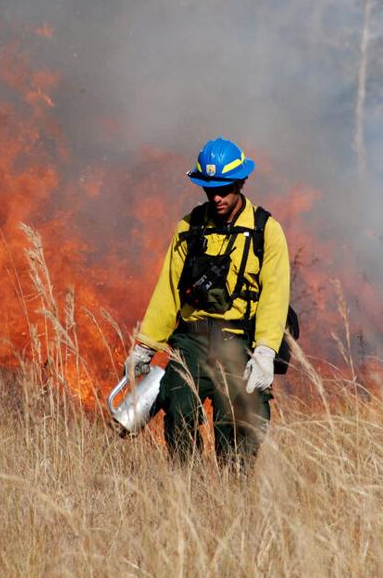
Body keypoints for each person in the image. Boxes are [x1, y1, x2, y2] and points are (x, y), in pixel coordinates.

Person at [124, 137, 290, 467]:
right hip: (191, 342)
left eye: (224, 189)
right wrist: (145, 347)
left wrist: (265, 350)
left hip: (239, 342)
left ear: (241, 182)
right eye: (208, 189)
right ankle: (187, 494)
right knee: (178, 410)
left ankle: (233, 497)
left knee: (236, 427)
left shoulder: (265, 231)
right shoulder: (188, 228)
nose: (216, 197)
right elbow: (168, 290)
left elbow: (275, 295)